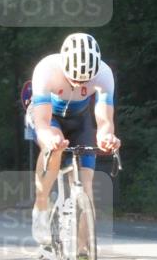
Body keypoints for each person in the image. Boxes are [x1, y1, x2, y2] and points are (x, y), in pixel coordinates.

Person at [29, 33, 120, 246]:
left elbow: (105, 120)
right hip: (50, 117)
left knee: (86, 187)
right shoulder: (46, 70)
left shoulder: (105, 74)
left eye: (86, 80)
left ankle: (83, 256)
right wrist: (49, 138)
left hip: (80, 120)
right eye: (75, 79)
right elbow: (42, 122)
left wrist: (107, 136)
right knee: (54, 146)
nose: (80, 84)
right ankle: (41, 206)